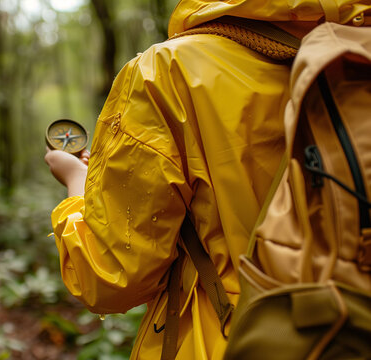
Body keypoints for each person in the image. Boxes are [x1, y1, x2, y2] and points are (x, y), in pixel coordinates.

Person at [44, 0, 368, 358]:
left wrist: (76, 184)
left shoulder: (167, 73)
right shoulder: (358, 54)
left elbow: (110, 279)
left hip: (233, 341)